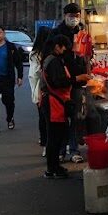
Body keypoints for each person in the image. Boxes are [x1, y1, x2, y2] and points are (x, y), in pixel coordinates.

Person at [41, 35, 75, 179]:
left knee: (54, 136)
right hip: (54, 103)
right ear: (57, 46)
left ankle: (53, 167)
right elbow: (58, 82)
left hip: (54, 102)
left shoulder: (50, 59)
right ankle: (52, 168)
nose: (65, 49)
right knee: (55, 137)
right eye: (63, 46)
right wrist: (76, 79)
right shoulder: (53, 61)